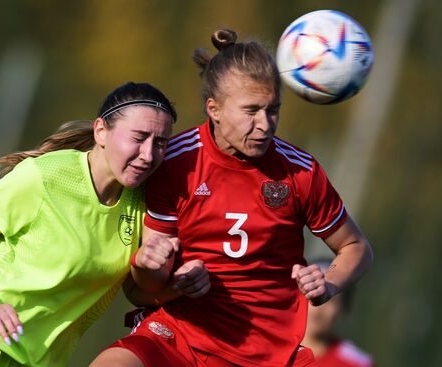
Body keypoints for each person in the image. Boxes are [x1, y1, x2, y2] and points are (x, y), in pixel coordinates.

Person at [91, 29, 373, 367]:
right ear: (214, 109)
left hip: (269, 354)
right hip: (180, 336)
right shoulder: (175, 163)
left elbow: (356, 247)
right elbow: (147, 284)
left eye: (273, 110)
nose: (265, 124)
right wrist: (161, 270)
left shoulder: (300, 172)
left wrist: (327, 284)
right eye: (251, 111)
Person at [0, 81, 179, 367]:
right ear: (101, 130)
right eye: (138, 137)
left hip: (39, 361)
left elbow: (135, 291)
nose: (149, 155)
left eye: (160, 143)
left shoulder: (145, 204)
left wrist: (182, 283)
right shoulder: (45, 176)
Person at [303, 259, 375, 367]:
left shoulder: (357, 363)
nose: (318, 307)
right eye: (312, 294)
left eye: (329, 300)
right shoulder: (272, 349)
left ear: (343, 308)